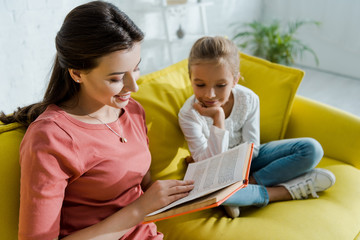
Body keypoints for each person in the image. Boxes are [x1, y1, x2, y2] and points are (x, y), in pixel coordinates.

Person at [0, 1, 194, 239]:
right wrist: (140, 209)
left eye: (136, 68)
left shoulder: (132, 110)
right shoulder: (51, 137)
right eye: (116, 79)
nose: (133, 86)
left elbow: (143, 189)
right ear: (77, 73)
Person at [178, 36, 335, 218]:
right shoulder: (188, 114)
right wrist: (218, 118)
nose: (209, 94)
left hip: (249, 162)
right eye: (200, 84)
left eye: (221, 85)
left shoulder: (248, 99)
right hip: (215, 177)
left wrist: (242, 179)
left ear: (235, 80)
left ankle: (245, 190)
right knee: (208, 193)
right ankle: (280, 192)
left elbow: (253, 148)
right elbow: (210, 166)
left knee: (311, 149)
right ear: (191, 79)